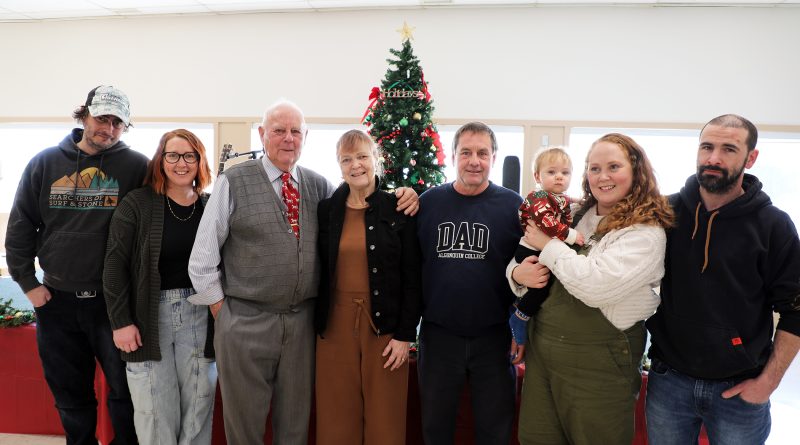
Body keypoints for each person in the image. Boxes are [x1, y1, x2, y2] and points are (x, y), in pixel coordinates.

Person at [187, 100, 418, 444]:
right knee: (245, 424)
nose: (288, 139)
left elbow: (368, 212)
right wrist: (225, 314)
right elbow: (202, 257)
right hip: (245, 321)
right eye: (279, 131)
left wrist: (406, 193)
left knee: (294, 425)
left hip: (302, 325)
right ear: (263, 134)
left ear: (305, 137)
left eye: (296, 131)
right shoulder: (233, 181)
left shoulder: (320, 188)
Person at [645, 114, 800, 445]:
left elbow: (796, 310)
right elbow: (615, 224)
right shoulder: (666, 211)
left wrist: (768, 383)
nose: (713, 158)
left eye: (729, 149)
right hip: (668, 381)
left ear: (751, 157)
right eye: (707, 147)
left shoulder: (774, 226)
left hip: (740, 390)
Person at [511, 133, 674, 445]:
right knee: (536, 437)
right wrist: (518, 273)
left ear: (636, 170)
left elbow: (594, 286)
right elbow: (524, 249)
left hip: (599, 365)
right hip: (543, 354)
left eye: (613, 166)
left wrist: (548, 245)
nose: (603, 176)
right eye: (594, 168)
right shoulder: (574, 215)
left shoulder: (645, 232)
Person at [5, 85, 142, 445]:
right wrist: (28, 284)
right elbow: (21, 226)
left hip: (114, 304)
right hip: (57, 302)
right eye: (102, 119)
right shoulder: (45, 162)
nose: (108, 129)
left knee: (125, 394)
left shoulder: (137, 167)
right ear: (84, 115)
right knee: (70, 397)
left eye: (117, 123)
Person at [416, 121, 531, 445]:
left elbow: (529, 271)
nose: (474, 160)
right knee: (435, 430)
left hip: (494, 338)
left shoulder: (515, 208)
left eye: (482, 153)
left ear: (494, 157)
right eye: (466, 152)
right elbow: (412, 266)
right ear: (453, 156)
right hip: (439, 337)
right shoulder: (428, 203)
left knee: (494, 431)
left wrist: (520, 328)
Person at [103, 129, 217, 444]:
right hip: (148, 316)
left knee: (199, 404)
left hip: (201, 314)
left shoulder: (210, 207)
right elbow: (114, 267)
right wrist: (121, 321)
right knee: (154, 408)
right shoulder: (137, 204)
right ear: (161, 160)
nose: (181, 163)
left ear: (199, 161)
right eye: (173, 155)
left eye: (189, 156)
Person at [314, 129, 422, 445]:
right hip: (334, 327)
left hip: (385, 328)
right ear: (339, 165)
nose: (356, 165)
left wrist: (405, 335)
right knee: (336, 420)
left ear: (376, 159)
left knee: (385, 423)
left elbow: (413, 278)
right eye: (347, 159)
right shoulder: (326, 210)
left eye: (362, 156)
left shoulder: (399, 207)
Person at [509, 147, 584, 348]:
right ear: (537, 176)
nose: (559, 177)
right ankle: (520, 316)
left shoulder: (558, 197)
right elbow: (547, 222)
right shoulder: (538, 197)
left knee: (542, 284)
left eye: (565, 173)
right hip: (530, 249)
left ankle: (518, 306)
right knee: (541, 286)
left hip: (542, 249)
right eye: (551, 172)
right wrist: (572, 235)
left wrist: (580, 201)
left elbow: (567, 201)